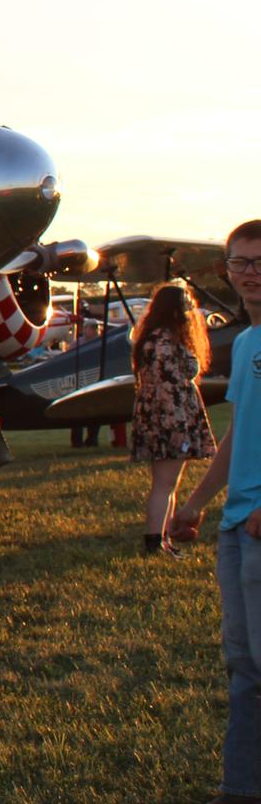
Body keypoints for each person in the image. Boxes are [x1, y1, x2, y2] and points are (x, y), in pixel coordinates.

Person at [169, 220, 261, 804]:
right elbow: (237, 434)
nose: (250, 272)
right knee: (244, 669)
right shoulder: (248, 342)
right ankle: (241, 788)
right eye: (240, 262)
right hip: (236, 526)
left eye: (260, 261)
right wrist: (197, 503)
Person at [129, 282, 216, 555]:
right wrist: (179, 427)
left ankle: (163, 538)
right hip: (171, 421)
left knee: (167, 484)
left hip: (158, 419)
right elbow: (170, 386)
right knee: (165, 485)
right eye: (186, 306)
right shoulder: (166, 342)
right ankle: (155, 540)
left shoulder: (151, 339)